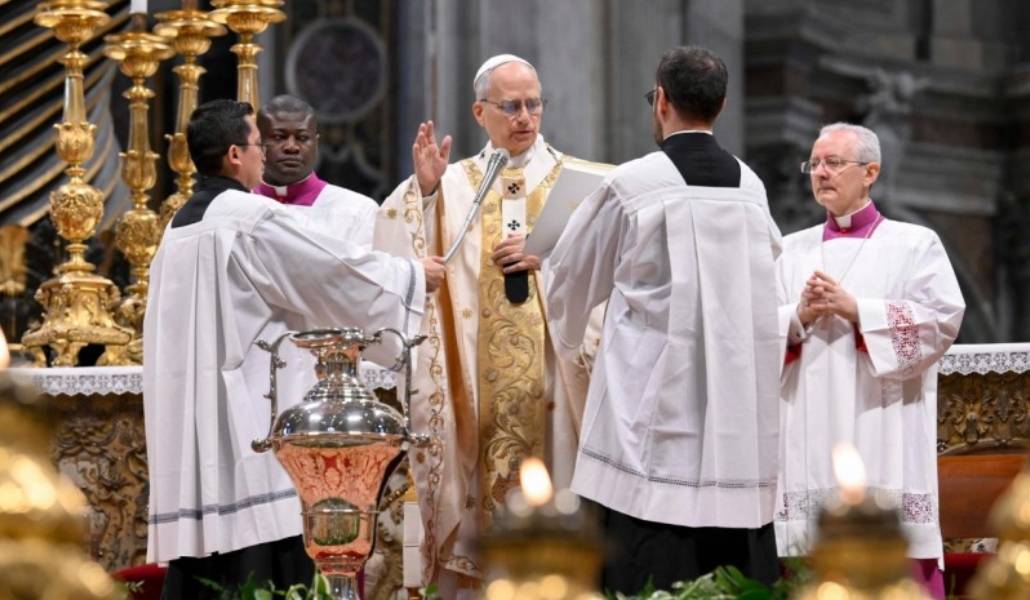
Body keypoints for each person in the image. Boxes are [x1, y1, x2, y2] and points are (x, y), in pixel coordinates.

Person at [143, 99, 446, 598]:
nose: (268, 155)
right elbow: (328, 271)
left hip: (196, 430)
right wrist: (411, 275)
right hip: (249, 429)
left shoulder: (178, 227)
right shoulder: (248, 216)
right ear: (237, 154)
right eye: (260, 144)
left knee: (204, 569)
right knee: (263, 563)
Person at [545, 46, 784, 593]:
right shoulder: (751, 188)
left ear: (663, 102)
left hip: (648, 412)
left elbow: (569, 286)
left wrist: (573, 326)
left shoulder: (634, 185)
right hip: (736, 420)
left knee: (645, 564)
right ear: (720, 106)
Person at [374, 54, 606, 593]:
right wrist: (426, 195)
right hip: (479, 394)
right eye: (510, 106)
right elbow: (402, 250)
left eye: (533, 104)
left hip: (554, 388)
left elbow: (609, 271)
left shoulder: (581, 185)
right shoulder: (456, 184)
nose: (525, 117)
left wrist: (551, 260)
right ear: (481, 112)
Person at [775, 122, 965, 600]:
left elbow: (942, 321)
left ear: (870, 172)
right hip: (806, 428)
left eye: (834, 163)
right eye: (814, 163)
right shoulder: (789, 250)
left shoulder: (914, 244)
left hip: (884, 428)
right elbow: (754, 333)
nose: (820, 173)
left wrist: (858, 309)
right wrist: (798, 316)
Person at [254, 95, 378, 249]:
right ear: (257, 143)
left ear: (316, 144)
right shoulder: (239, 205)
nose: (291, 147)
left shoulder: (358, 211)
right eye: (279, 137)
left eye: (303, 138)